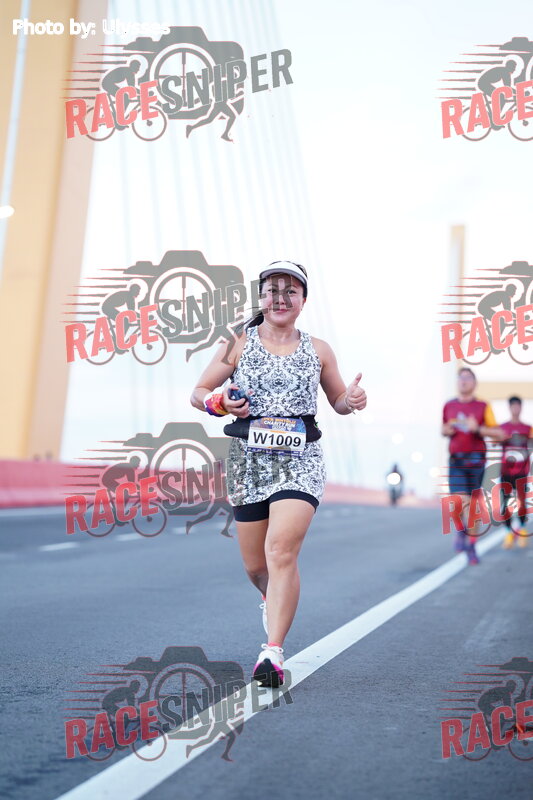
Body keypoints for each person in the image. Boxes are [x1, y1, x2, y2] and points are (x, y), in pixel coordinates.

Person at [190, 261, 367, 686]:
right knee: (256, 567)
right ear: (261, 298)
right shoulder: (237, 342)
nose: (281, 298)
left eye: (291, 291)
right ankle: (273, 599)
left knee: (281, 551)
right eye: (272, 290)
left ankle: (272, 652)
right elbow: (198, 393)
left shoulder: (319, 350)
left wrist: (352, 399)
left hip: (300, 461)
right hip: (248, 463)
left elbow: (338, 402)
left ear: (303, 301)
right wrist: (220, 403)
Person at [442, 367, 505, 564]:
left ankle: (471, 544)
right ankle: (461, 530)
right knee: (458, 501)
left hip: (477, 461)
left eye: (468, 378)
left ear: (474, 383)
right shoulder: (449, 405)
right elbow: (443, 429)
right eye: (460, 377)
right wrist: (447, 430)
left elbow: (499, 433)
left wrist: (478, 428)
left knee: (473, 507)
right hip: (456, 460)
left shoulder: (483, 406)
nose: (463, 381)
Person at [500, 396, 533, 549]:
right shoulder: (502, 428)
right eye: (513, 406)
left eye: (518, 406)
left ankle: (521, 530)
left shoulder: (527, 428)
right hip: (506, 471)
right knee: (506, 503)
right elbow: (493, 440)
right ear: (509, 407)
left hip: (521, 471)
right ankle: (508, 533)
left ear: (521, 407)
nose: (515, 409)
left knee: (521, 502)